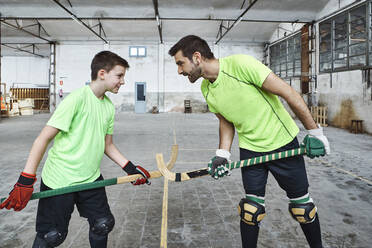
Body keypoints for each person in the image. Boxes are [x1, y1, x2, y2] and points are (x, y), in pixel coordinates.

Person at [168, 35, 330, 248]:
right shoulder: (206, 89)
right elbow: (226, 122)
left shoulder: (241, 65)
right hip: (251, 151)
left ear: (197, 57)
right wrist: (222, 155)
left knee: (303, 209)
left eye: (181, 63)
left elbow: (288, 93)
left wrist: (315, 133)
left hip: (282, 142)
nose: (179, 71)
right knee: (250, 210)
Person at [0, 51, 151, 248]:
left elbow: (107, 145)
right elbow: (43, 139)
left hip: (90, 178)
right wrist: (26, 179)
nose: (122, 81)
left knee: (103, 224)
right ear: (102, 73)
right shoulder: (76, 99)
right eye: (119, 75)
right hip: (60, 180)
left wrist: (130, 168)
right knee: (52, 235)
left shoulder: (108, 106)